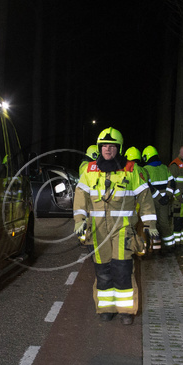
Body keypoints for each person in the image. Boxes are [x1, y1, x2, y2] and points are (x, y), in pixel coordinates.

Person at [74, 127, 157, 325]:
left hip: (123, 230)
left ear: (119, 148)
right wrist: (79, 220)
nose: (107, 149)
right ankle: (106, 308)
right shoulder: (89, 171)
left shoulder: (132, 170)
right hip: (98, 231)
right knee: (102, 270)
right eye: (104, 146)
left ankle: (126, 311)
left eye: (112, 146)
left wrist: (149, 224)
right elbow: (80, 197)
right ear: (99, 148)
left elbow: (145, 199)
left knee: (122, 269)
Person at [141, 145, 176, 251]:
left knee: (152, 224)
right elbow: (172, 183)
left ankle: (154, 248)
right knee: (164, 223)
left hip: (152, 202)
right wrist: (167, 196)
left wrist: (159, 197)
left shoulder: (145, 170)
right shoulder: (165, 168)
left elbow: (148, 186)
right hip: (165, 202)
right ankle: (170, 246)